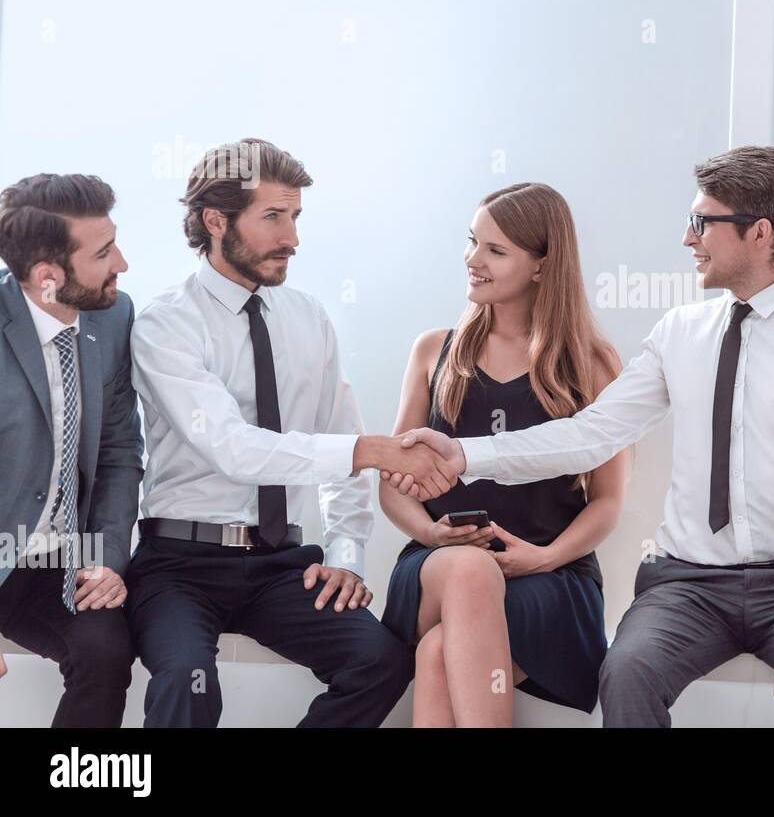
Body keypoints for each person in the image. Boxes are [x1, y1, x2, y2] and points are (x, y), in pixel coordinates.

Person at [388, 146, 774, 727]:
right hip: (689, 585)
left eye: (703, 222)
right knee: (626, 673)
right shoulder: (680, 331)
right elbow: (592, 434)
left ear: (760, 233)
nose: (688, 237)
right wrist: (467, 453)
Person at [127, 138, 445, 727]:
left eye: (295, 217)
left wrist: (347, 555)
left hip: (279, 565)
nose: (292, 238)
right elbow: (234, 449)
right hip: (179, 564)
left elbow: (336, 434)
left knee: (379, 661)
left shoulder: (308, 318)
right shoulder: (165, 324)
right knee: (186, 680)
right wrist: (367, 451)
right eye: (273, 217)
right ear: (215, 221)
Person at [379, 183, 627, 726]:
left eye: (495, 250)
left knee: (439, 651)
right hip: (436, 566)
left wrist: (543, 557)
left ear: (541, 266)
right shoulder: (433, 351)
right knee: (468, 570)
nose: (473, 260)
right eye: (472, 242)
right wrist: (431, 535)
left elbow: (607, 502)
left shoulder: (592, 364)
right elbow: (390, 483)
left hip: (550, 573)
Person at [0, 173, 143, 726]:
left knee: (105, 653)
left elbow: (118, 452)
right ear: (48, 277)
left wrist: (105, 558)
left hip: (57, 563)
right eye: (104, 252)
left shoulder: (113, 317)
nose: (123, 263)